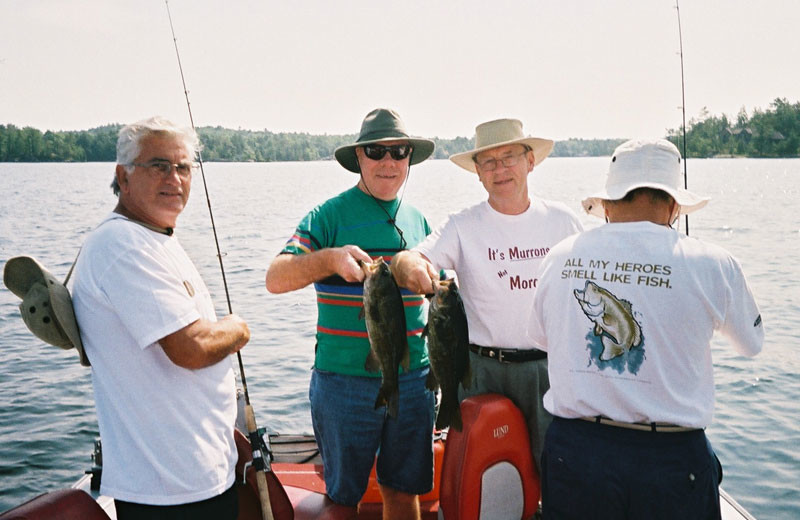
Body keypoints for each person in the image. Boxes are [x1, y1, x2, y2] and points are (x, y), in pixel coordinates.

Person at [529, 139, 764, 519]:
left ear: (605, 203)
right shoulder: (716, 263)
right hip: (671, 460)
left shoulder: (560, 256)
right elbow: (752, 344)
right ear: (673, 205)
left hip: (576, 452)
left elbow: (540, 338)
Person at [71, 117, 251, 520]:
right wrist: (238, 329)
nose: (175, 177)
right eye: (159, 165)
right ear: (124, 176)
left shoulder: (155, 237)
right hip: (169, 491)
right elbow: (191, 348)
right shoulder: (121, 244)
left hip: (198, 475)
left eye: (184, 166)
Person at [265, 108, 436, 519]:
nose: (388, 162)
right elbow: (276, 277)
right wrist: (329, 259)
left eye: (399, 151)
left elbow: (445, 283)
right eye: (376, 151)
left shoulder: (419, 220)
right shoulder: (327, 216)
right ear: (358, 158)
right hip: (343, 384)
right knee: (343, 496)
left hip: (414, 380)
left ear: (410, 157)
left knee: (403, 488)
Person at [391, 118, 583, 474]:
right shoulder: (462, 225)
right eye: (489, 162)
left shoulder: (564, 222)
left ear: (530, 161)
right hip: (478, 372)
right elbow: (407, 259)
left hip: (549, 371)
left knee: (556, 474)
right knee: (481, 480)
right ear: (477, 172)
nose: (500, 169)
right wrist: (413, 269)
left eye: (509, 157)